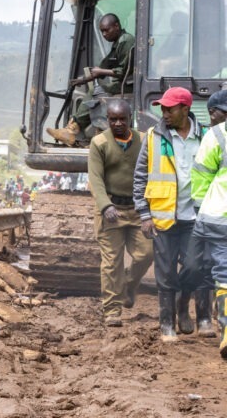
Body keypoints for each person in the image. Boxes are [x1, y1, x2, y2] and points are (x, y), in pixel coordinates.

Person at [133, 87, 211, 341]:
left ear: (185, 109)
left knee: (194, 266)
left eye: (170, 109)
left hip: (195, 217)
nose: (164, 113)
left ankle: (182, 303)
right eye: (162, 108)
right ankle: (167, 323)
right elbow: (140, 176)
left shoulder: (206, 137)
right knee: (165, 272)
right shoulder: (154, 137)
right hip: (163, 216)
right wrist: (144, 214)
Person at [87, 99, 152, 326]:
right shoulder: (99, 143)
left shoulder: (144, 140)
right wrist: (105, 206)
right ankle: (112, 310)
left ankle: (128, 285)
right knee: (111, 262)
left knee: (147, 253)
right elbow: (95, 178)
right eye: (113, 119)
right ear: (107, 120)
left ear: (130, 118)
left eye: (122, 119)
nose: (117, 123)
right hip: (110, 209)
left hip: (137, 209)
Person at [48, 13, 135, 146]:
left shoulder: (125, 41)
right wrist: (84, 80)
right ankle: (78, 130)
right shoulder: (119, 42)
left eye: (107, 30)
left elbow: (123, 72)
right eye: (102, 32)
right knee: (96, 91)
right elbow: (107, 64)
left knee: (96, 92)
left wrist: (100, 71)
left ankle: (72, 129)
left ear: (116, 26)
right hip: (125, 83)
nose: (104, 34)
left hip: (129, 85)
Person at [191, 89, 227, 356]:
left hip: (219, 218)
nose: (210, 118)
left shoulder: (215, 136)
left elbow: (201, 178)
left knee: (224, 275)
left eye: (212, 113)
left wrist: (199, 208)